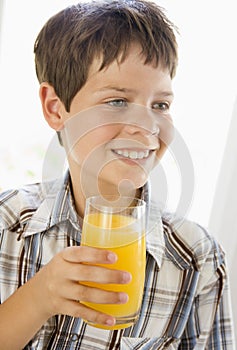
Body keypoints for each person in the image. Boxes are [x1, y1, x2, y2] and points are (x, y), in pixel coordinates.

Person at [0, 0, 235, 349]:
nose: (146, 127)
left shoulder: (196, 258)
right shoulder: (7, 223)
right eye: (117, 102)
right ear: (55, 108)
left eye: (160, 105)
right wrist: (37, 299)